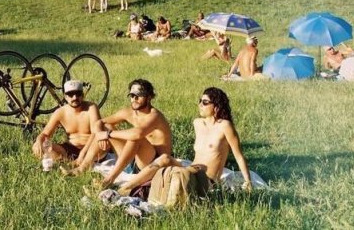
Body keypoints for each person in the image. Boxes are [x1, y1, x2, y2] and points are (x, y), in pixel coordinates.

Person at [116, 87, 252, 196]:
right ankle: (127, 188)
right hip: (191, 171)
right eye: (200, 101)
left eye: (205, 102)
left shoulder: (225, 126)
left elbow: (239, 156)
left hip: (206, 181)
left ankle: (124, 190)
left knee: (165, 161)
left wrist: (248, 182)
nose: (200, 105)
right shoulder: (197, 123)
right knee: (164, 159)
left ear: (216, 106)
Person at [62, 79, 173, 189]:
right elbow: (98, 123)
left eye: (139, 95)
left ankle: (109, 180)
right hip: (132, 159)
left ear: (149, 97)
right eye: (132, 95)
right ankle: (82, 168)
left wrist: (108, 135)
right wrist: (101, 135)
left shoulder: (154, 116)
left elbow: (138, 134)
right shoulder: (129, 112)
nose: (135, 99)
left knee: (135, 138)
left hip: (152, 163)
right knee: (106, 127)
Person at [32, 80, 104, 164]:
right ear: (65, 97)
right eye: (70, 94)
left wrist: (83, 153)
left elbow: (95, 134)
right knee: (37, 146)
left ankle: (75, 162)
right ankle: (69, 161)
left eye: (78, 94)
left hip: (91, 147)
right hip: (70, 148)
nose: (74, 98)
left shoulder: (91, 107)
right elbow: (46, 133)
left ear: (83, 95)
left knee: (101, 142)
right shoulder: (60, 112)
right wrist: (39, 140)